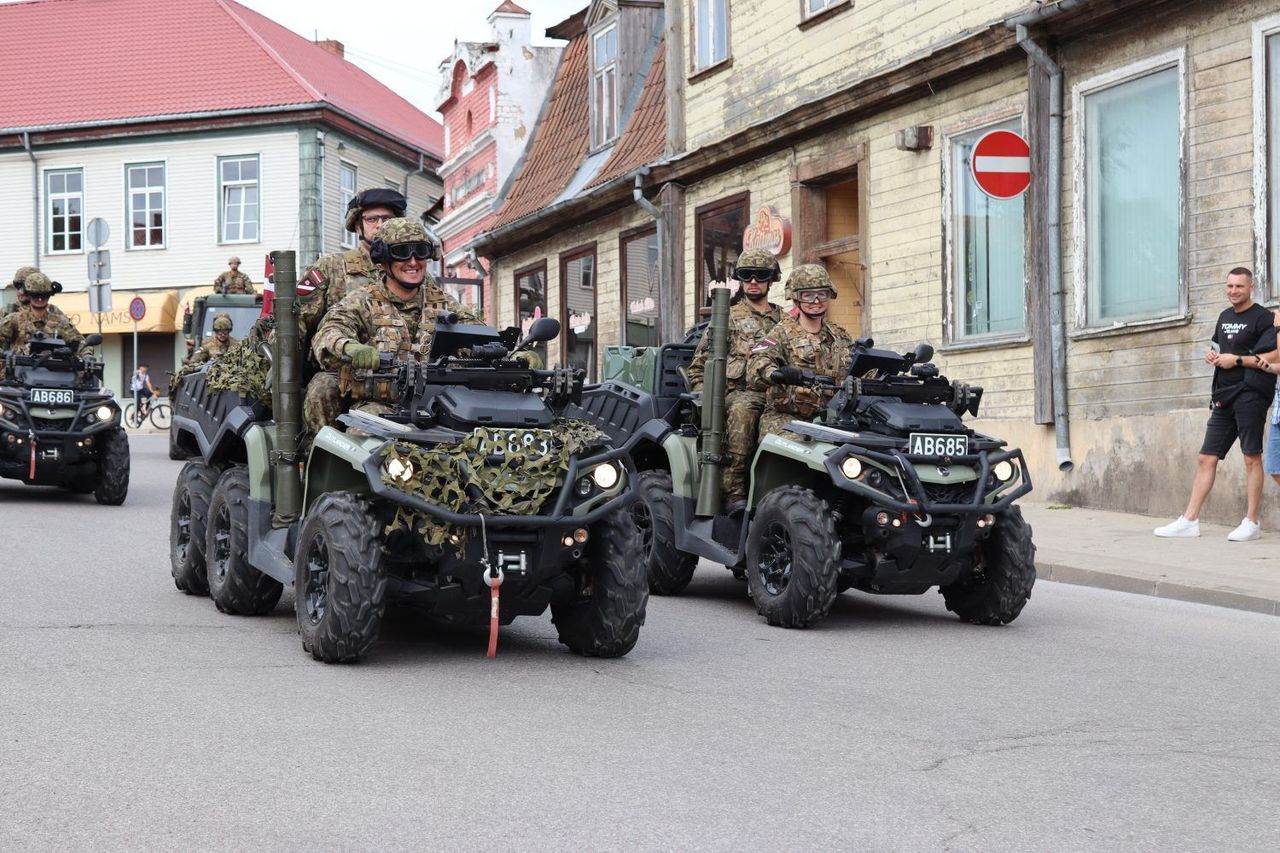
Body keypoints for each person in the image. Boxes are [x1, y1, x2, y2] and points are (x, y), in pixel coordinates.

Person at [304, 217, 479, 434]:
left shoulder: (445, 304)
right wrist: (350, 347)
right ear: (384, 259)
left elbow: (480, 336)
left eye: (420, 251)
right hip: (382, 406)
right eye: (402, 252)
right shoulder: (363, 300)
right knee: (361, 436)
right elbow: (330, 330)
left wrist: (516, 355)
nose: (413, 262)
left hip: (441, 406)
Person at [1155, 267, 1276, 541]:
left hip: (1251, 394)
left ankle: (1251, 522)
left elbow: (1271, 355)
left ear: (1251, 287)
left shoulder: (1264, 318)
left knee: (1251, 457)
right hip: (1224, 394)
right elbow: (1219, 347)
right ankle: (1189, 520)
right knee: (1206, 457)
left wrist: (1237, 360)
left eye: (1239, 287)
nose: (1233, 291)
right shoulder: (1224, 316)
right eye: (1230, 286)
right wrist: (1214, 356)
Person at [685, 248, 784, 510]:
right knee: (743, 410)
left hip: (778, 394)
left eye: (760, 275)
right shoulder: (727, 318)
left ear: (772, 279)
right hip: (736, 395)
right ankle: (733, 491)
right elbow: (698, 367)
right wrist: (705, 400)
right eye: (746, 275)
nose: (753, 281)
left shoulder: (786, 320)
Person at [747, 263, 853, 442]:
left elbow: (861, 368)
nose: (816, 301)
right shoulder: (780, 332)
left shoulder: (840, 336)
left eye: (822, 294)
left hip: (832, 419)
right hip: (786, 419)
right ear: (796, 298)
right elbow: (757, 364)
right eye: (808, 295)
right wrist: (777, 374)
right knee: (800, 450)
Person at [297, 188, 407, 349]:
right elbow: (296, 320)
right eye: (372, 219)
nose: (380, 225)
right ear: (357, 226)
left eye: (387, 219)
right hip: (342, 366)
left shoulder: (411, 270)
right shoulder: (331, 266)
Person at [0, 272, 85, 353]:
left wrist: (87, 356)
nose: (40, 300)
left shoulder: (60, 322)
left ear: (49, 295)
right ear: (28, 295)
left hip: (52, 367)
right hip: (20, 367)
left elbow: (80, 343)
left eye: (44, 296)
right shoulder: (15, 319)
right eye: (35, 295)